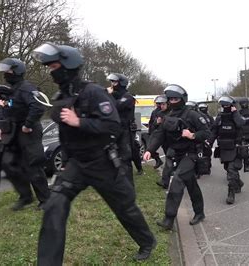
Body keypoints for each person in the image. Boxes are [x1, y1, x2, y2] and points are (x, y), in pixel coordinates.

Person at [32, 42, 156, 263]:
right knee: (54, 206)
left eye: (54, 66)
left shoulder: (94, 92)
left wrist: (79, 121)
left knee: (124, 208)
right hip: (77, 165)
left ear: (68, 66)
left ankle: (147, 242)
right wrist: (66, 160)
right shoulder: (61, 95)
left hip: (102, 162)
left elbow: (112, 126)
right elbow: (65, 134)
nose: (51, 72)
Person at [143, 84, 210, 230]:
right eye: (170, 98)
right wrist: (150, 149)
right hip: (177, 155)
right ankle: (199, 212)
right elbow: (159, 134)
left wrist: (192, 135)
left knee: (177, 182)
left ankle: (169, 219)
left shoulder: (192, 115)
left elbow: (207, 133)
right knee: (191, 185)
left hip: (191, 154)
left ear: (182, 99)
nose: (172, 101)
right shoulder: (167, 117)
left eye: (175, 98)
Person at [0, 58, 50, 210]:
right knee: (10, 163)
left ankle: (45, 199)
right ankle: (25, 196)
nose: (5, 74)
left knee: (33, 165)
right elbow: (8, 110)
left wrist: (27, 125)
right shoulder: (11, 90)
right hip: (13, 132)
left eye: (8, 71)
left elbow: (38, 107)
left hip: (29, 132)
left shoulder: (26, 88)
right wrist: (2, 127)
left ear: (17, 71)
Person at [209, 96, 245, 204]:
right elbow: (214, 131)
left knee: (231, 170)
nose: (225, 107)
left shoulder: (237, 116)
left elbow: (240, 123)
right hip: (224, 148)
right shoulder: (220, 117)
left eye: (227, 105)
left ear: (232, 106)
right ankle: (238, 182)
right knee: (227, 168)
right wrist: (209, 142)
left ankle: (231, 193)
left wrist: (235, 113)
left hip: (235, 147)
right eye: (223, 105)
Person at [107, 73, 137, 185]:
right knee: (112, 157)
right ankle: (117, 183)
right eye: (112, 82)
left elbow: (117, 106)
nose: (112, 84)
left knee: (125, 158)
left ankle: (129, 186)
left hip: (125, 132)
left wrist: (109, 95)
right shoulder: (114, 95)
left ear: (121, 83)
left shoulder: (128, 97)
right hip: (114, 131)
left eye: (114, 82)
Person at [148, 95, 167, 169]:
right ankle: (158, 160)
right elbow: (151, 123)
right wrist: (150, 132)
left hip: (165, 135)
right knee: (150, 148)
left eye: (161, 103)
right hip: (155, 133)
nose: (160, 105)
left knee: (168, 151)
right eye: (158, 103)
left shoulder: (167, 112)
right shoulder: (155, 112)